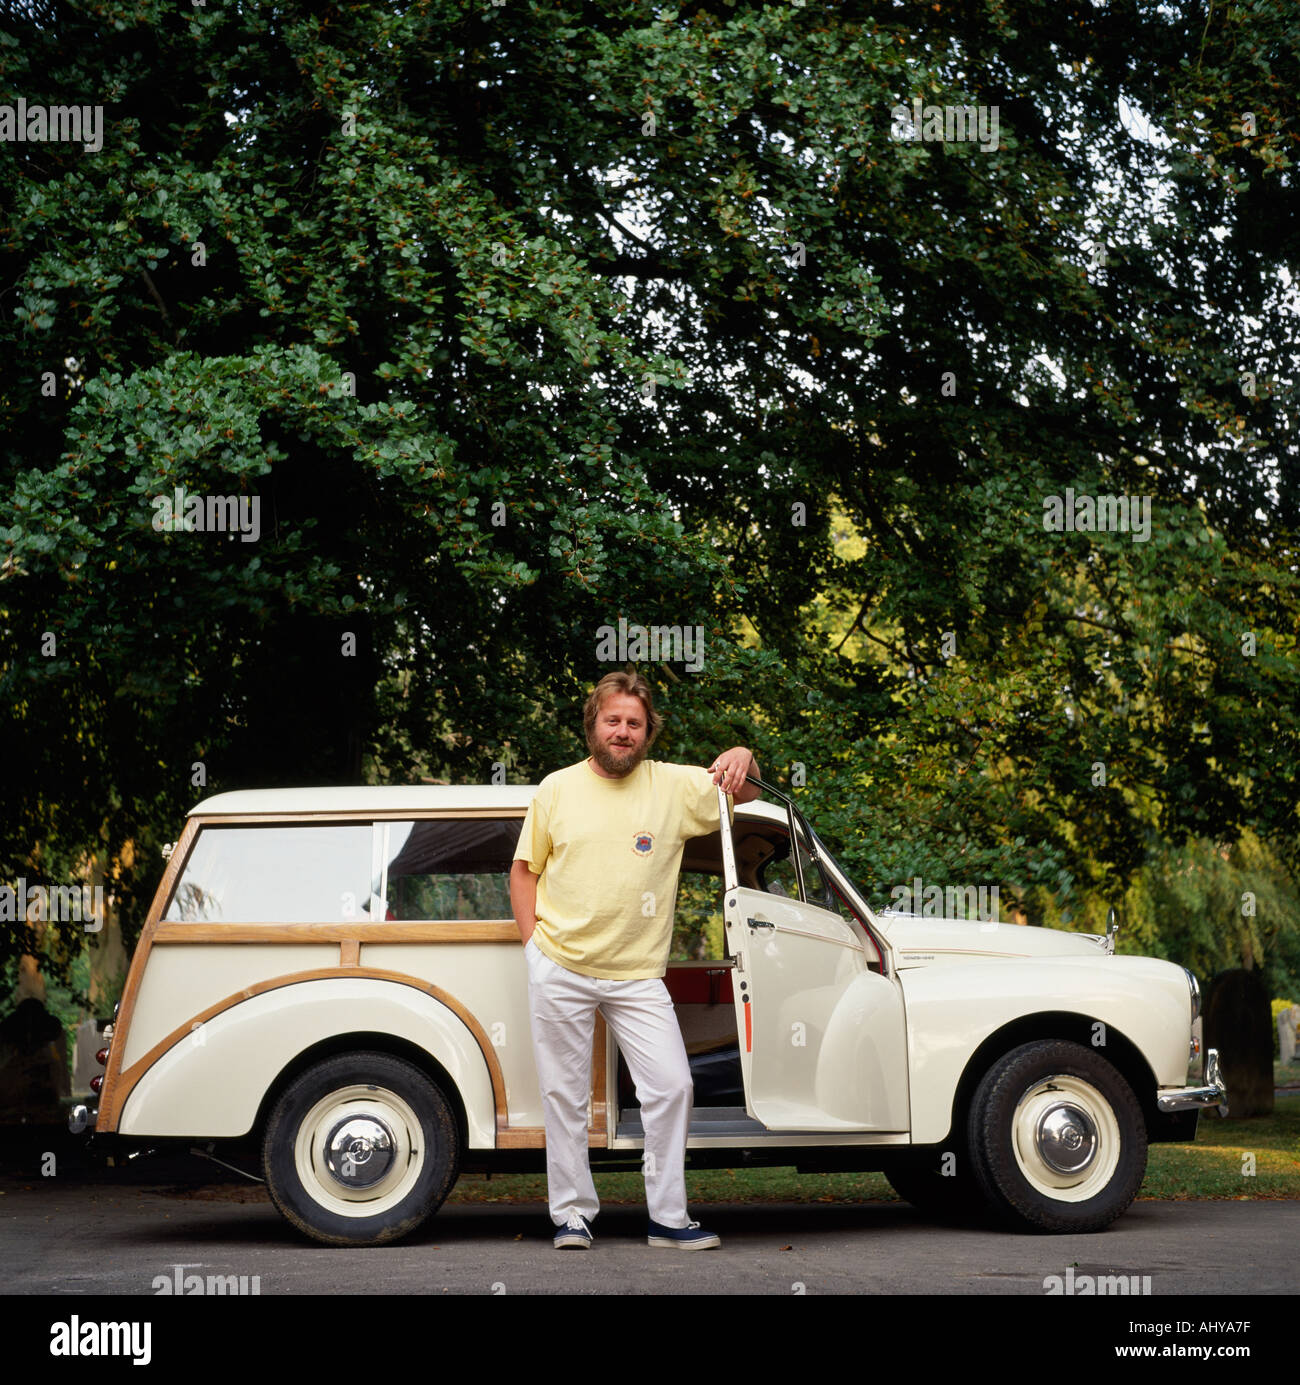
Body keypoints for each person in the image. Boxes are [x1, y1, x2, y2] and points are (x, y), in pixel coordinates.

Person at [510, 669, 760, 1250]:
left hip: (639, 974)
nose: (622, 732)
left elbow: (742, 793)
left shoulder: (673, 785)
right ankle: (572, 1216)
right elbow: (524, 872)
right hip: (560, 965)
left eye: (634, 724)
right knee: (564, 1095)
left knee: (672, 1087)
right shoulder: (555, 789)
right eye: (613, 721)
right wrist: (532, 949)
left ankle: (668, 1218)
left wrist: (744, 754)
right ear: (593, 726)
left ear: (648, 733)